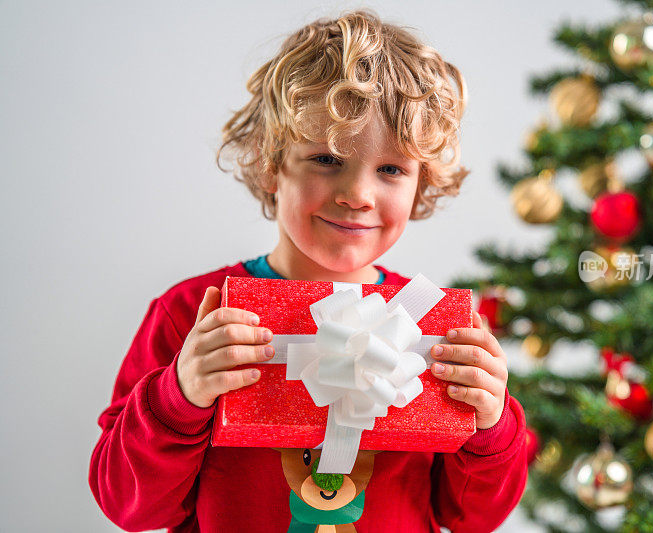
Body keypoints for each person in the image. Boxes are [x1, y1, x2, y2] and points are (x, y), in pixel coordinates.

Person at [89, 10, 535, 533]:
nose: (358, 195)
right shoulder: (192, 314)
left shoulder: (435, 329)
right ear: (270, 162)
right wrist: (177, 397)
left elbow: (472, 517)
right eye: (326, 159)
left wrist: (490, 427)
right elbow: (129, 507)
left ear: (422, 183)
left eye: (391, 169)